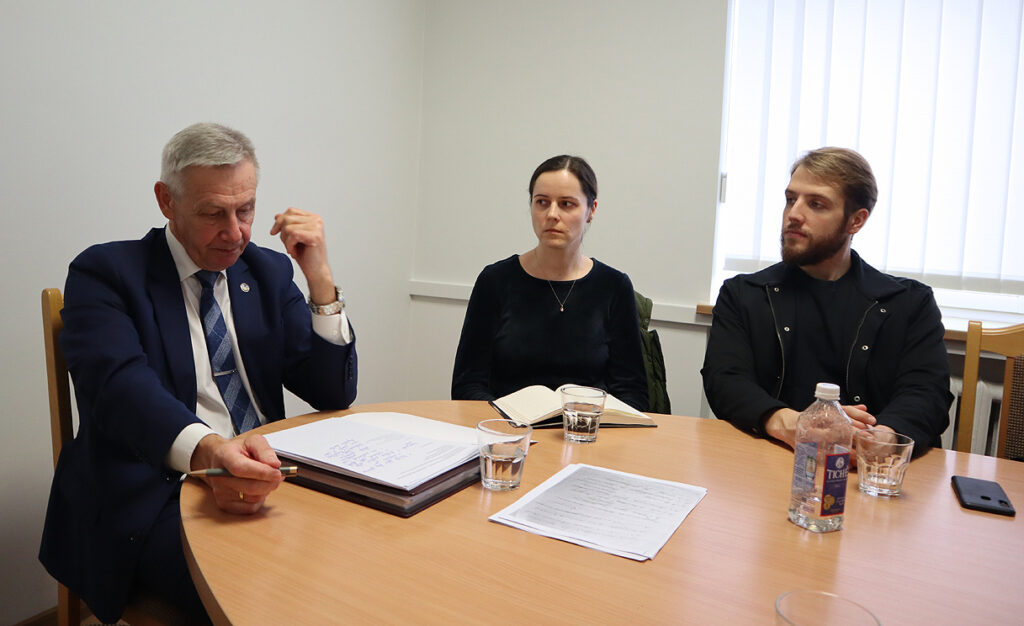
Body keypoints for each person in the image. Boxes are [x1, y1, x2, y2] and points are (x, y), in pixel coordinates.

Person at [39, 123, 358, 623]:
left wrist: (320, 281)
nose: (235, 232)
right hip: (153, 491)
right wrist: (209, 451)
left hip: (262, 474)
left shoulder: (267, 272)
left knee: (355, 555)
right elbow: (120, 388)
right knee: (268, 592)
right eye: (213, 213)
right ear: (166, 201)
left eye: (246, 209)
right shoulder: (107, 272)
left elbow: (332, 391)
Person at [701, 147, 951, 457]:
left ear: (856, 221)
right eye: (791, 199)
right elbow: (725, 380)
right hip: (773, 458)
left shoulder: (910, 303)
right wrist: (792, 425)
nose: (794, 214)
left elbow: (927, 393)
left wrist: (881, 438)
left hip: (869, 469)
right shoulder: (745, 294)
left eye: (816, 204)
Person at [452, 155, 648, 410]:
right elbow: (467, 385)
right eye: (542, 202)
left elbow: (633, 394)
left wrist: (588, 424)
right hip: (509, 428)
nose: (552, 214)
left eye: (566, 204)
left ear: (591, 210)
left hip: (585, 429)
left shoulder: (614, 286)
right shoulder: (495, 281)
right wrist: (508, 421)